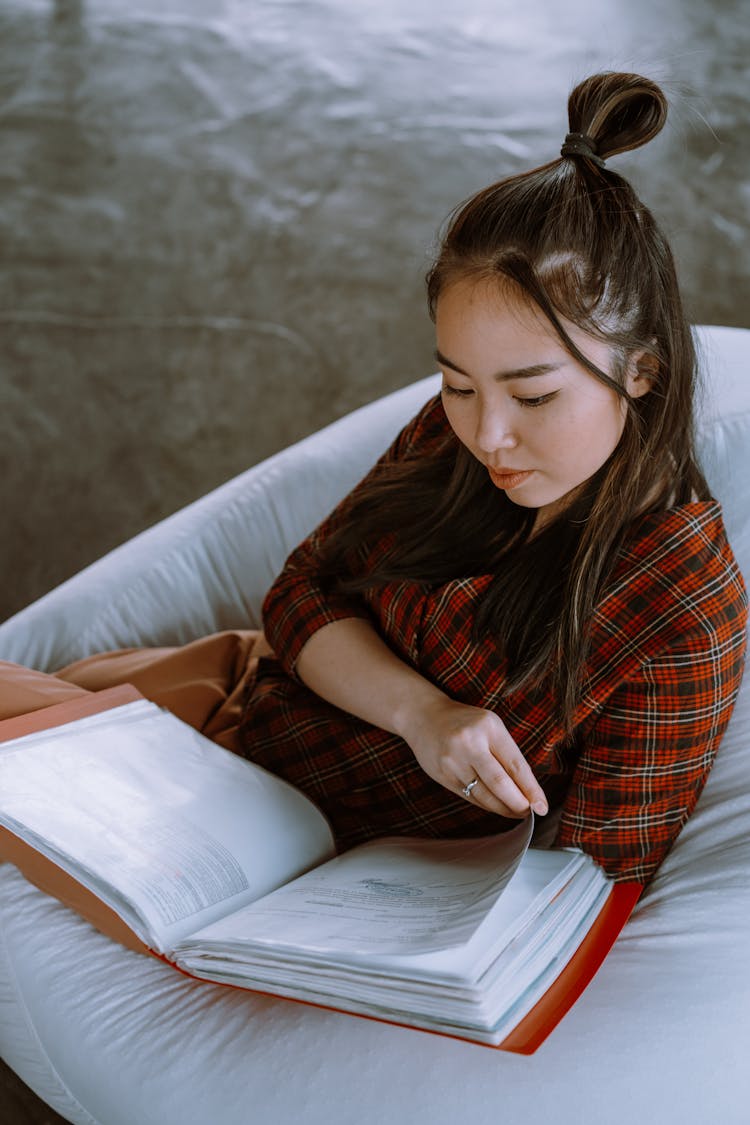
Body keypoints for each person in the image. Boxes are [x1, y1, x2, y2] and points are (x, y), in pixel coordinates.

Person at [1, 71, 747, 886]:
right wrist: (425, 714)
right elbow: (300, 592)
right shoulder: (454, 435)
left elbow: (593, 881)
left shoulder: (680, 616)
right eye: (458, 384)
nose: (487, 434)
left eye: (533, 394)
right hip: (226, 703)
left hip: (309, 858)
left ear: (641, 371)